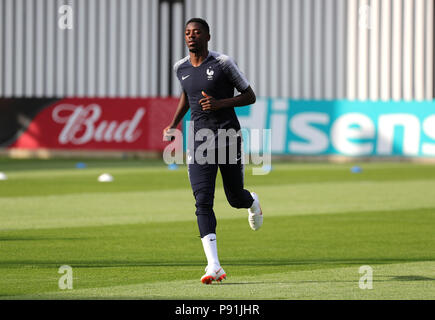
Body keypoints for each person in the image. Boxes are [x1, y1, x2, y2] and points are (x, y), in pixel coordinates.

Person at [163, 18, 263, 284]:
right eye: (187, 33)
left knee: (235, 198)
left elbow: (250, 95)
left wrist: (219, 104)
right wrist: (174, 124)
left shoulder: (223, 63)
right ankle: (214, 265)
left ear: (208, 36)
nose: (191, 36)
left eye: (196, 32)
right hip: (199, 141)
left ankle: (251, 201)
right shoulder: (180, 67)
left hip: (228, 135)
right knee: (202, 201)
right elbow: (187, 95)